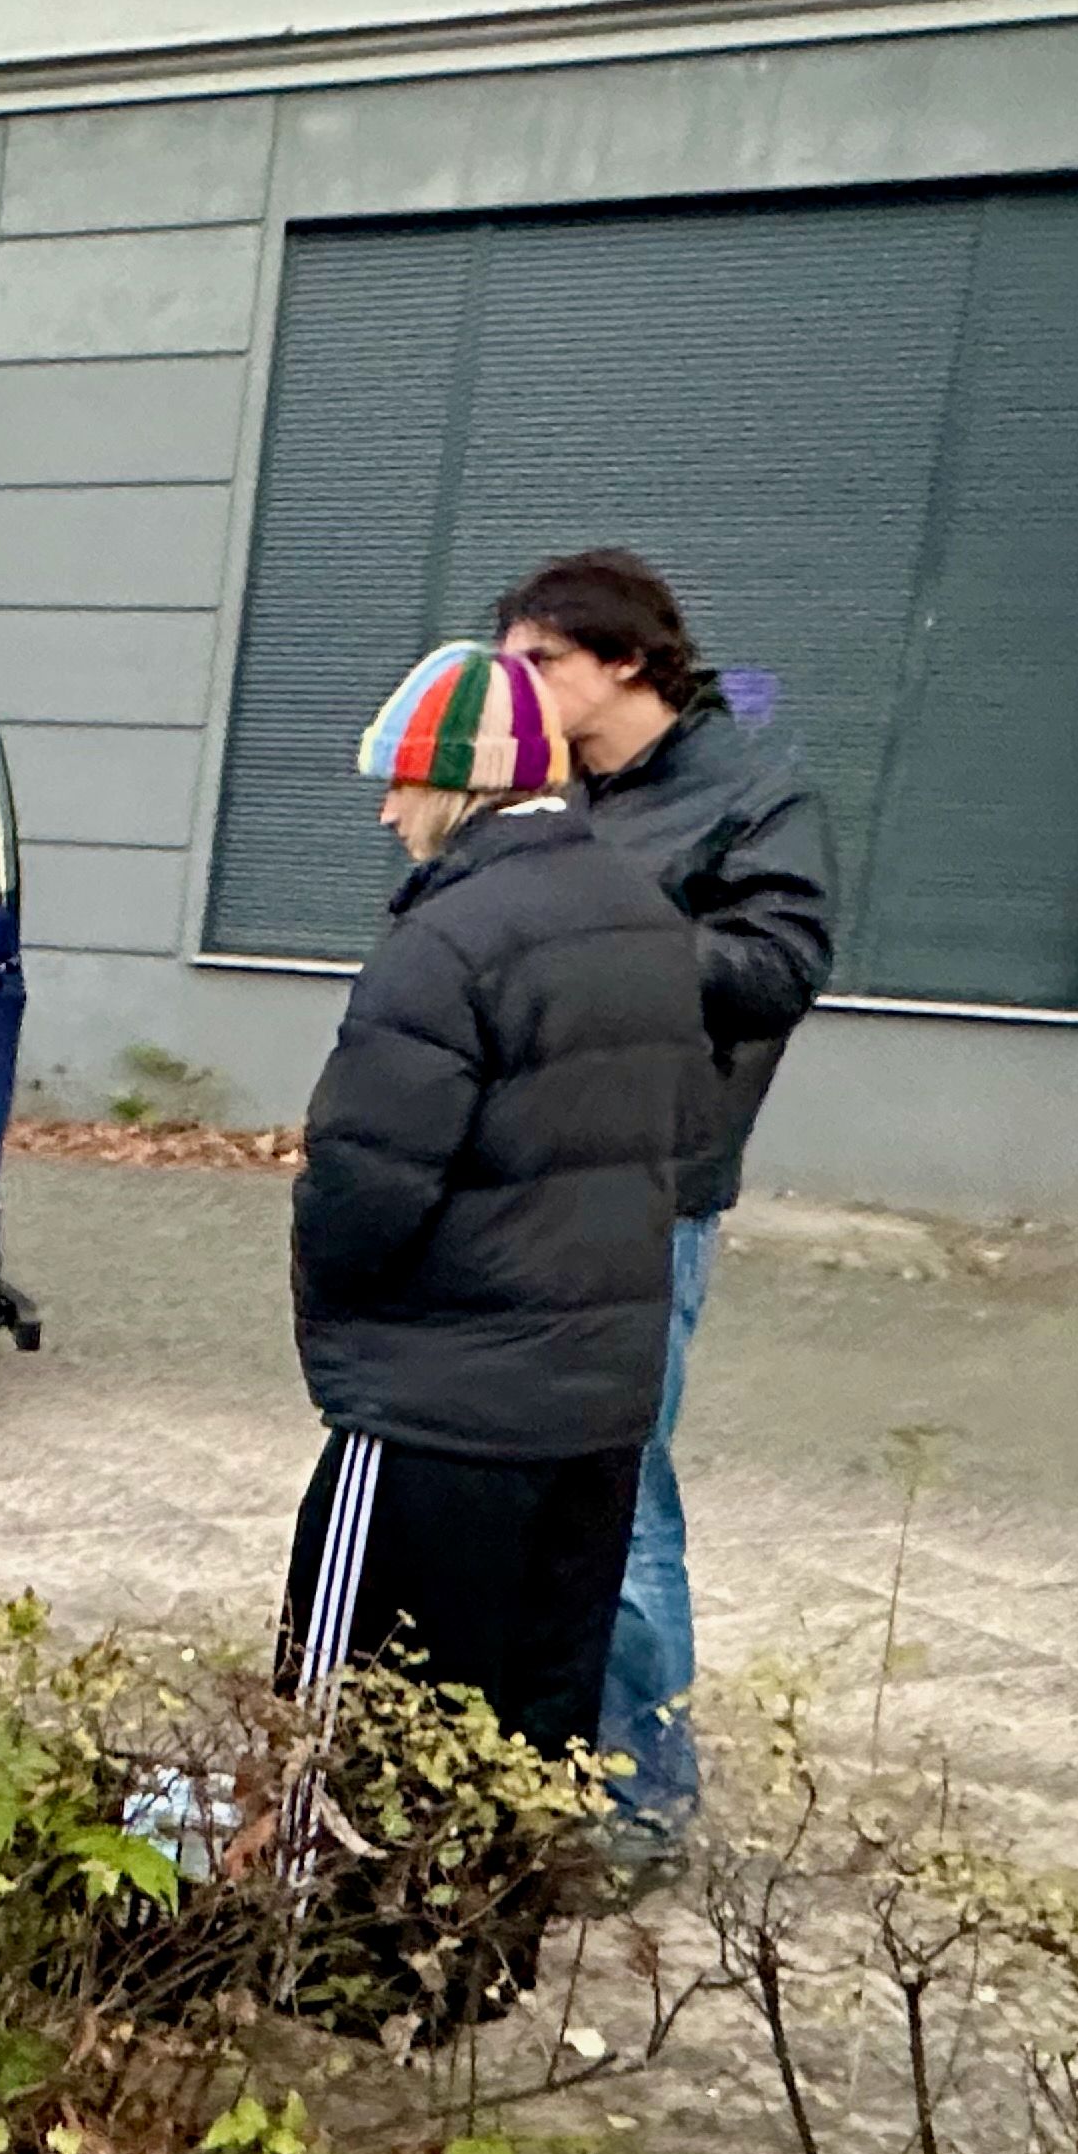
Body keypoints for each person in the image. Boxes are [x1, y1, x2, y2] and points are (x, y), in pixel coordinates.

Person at [279, 642, 706, 1773]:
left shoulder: (443, 943)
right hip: (596, 1410)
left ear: (456, 789)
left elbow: (364, 1184)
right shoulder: (646, 916)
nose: (385, 814)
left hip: (443, 1410)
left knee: (352, 1716)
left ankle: (334, 1947)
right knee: (533, 1732)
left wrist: (343, 1321)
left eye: (400, 784)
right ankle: (492, 1950)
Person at [495, 551, 833, 1863]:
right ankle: (536, 1755)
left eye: (540, 664)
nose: (520, 692)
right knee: (525, 1495)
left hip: (648, 1195)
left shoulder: (752, 797)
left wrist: (598, 930)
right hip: (530, 1180)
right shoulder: (562, 798)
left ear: (625, 661)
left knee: (621, 1503)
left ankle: (641, 1804)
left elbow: (777, 967)